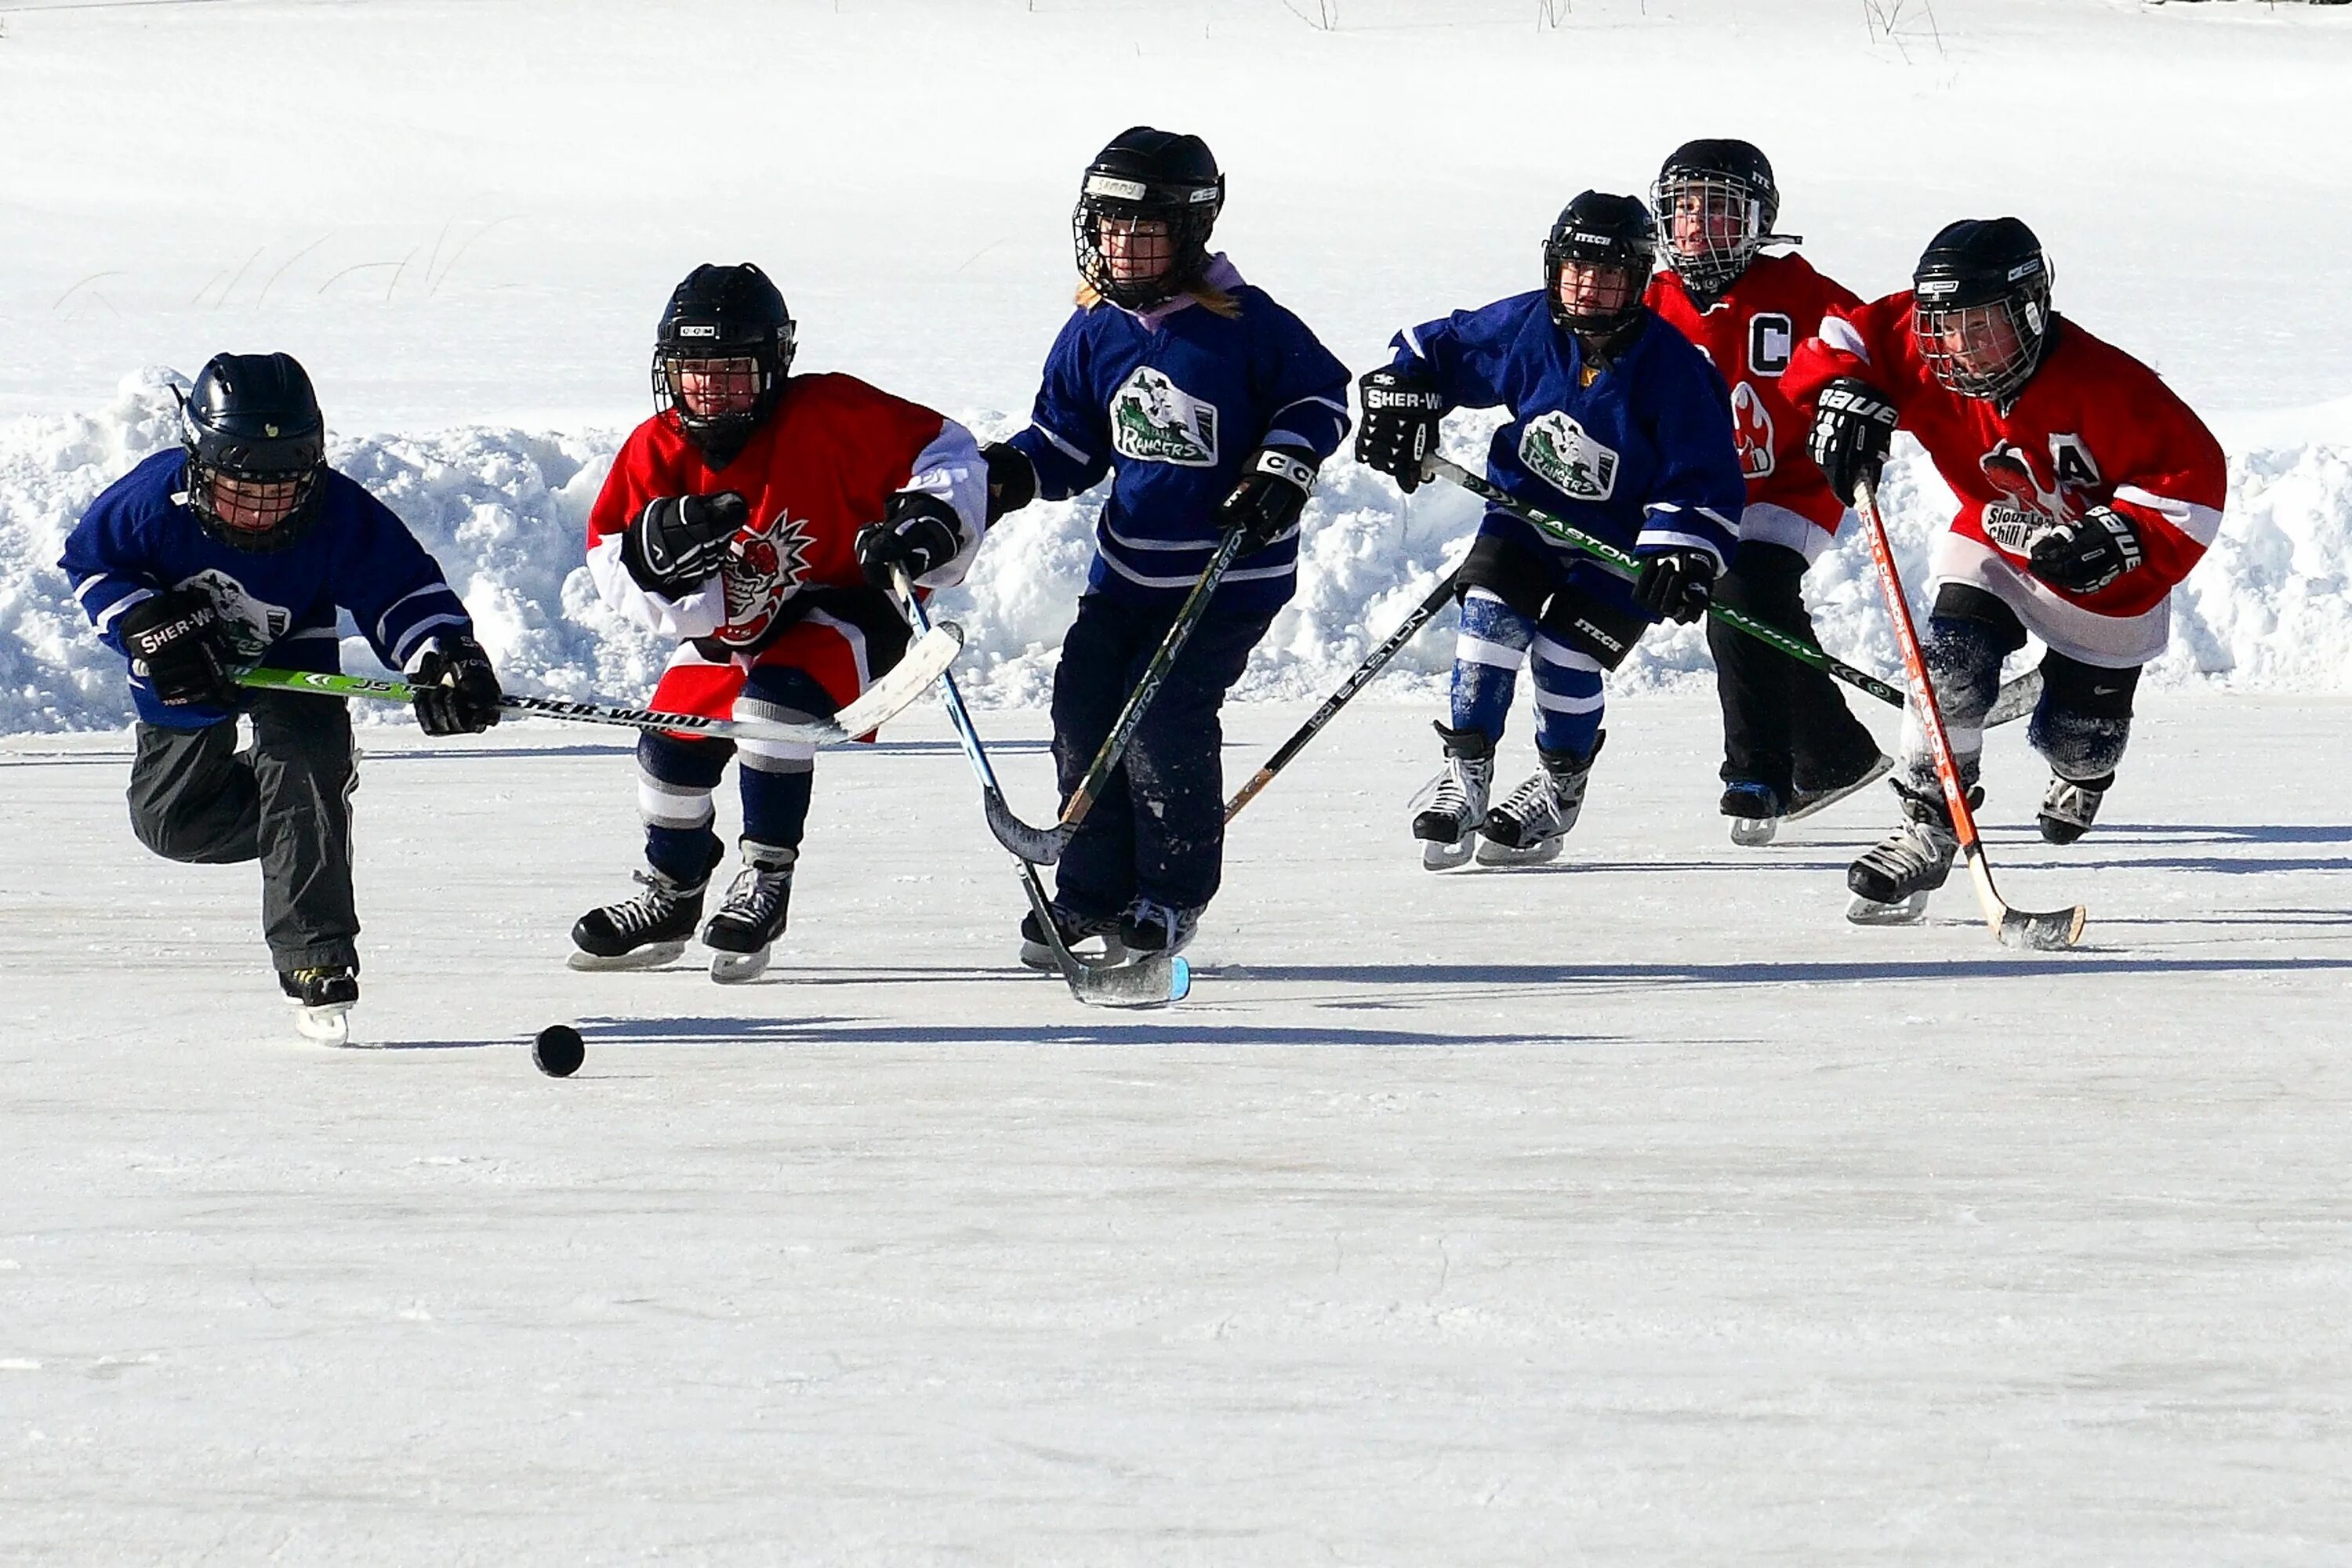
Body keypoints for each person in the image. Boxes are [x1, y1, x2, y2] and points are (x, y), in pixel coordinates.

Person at [1784, 217, 2227, 920]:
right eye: (1945, 327)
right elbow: (1844, 338)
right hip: (1994, 537)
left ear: (2029, 310)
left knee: (2079, 738)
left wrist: (2119, 535)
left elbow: (2193, 480)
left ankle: (2084, 770)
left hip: (2108, 583)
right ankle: (1927, 825)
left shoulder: (2108, 384)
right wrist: (1840, 393)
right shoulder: (1925, 341)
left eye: (1980, 324)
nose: (1959, 347)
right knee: (1950, 667)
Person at [983, 126, 1349, 963]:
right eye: (1110, 227)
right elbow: (1069, 442)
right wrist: (1007, 473)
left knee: (1162, 721)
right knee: (1083, 713)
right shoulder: (1093, 329)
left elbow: (1322, 400)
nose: (1123, 246)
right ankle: (1090, 891)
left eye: (1143, 231)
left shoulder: (1249, 325)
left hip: (1229, 576)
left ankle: (1171, 896)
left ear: (1189, 233)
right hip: (1125, 574)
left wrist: (1282, 467)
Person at [58, 351, 502, 1040]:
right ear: (199, 463)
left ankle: (315, 953)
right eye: (241, 489)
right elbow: (90, 564)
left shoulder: (341, 512)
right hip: (185, 663)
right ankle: (307, 803)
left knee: (304, 762)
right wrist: (145, 624)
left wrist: (445, 655)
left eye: (283, 488)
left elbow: (403, 591)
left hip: (294, 656)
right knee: (172, 825)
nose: (263, 510)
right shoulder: (149, 501)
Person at [572, 262, 985, 982]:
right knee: (671, 749)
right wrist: (653, 564)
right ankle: (672, 891)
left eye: (733, 370)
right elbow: (610, 554)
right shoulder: (655, 446)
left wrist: (929, 523)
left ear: (775, 366)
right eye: (695, 369)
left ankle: (766, 875)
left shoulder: (834, 413)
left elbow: (947, 453)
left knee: (773, 708)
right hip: (741, 625)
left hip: (853, 606)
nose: (712, 388)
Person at [1355, 191, 1747, 869]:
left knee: (1565, 656)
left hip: (1622, 544)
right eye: (1575, 270)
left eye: (1608, 274)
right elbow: (1437, 348)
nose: (1588, 288)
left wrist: (1685, 550)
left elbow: (1704, 473)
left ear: (1639, 280)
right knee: (1487, 624)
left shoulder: (1676, 367)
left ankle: (1560, 788)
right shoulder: (1529, 326)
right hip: (1528, 516)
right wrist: (1404, 391)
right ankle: (1465, 778)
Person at [1644, 139, 1888, 845]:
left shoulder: (1797, 292)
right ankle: (1835, 753)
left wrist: (1858, 395)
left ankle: (1758, 773)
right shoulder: (1647, 302)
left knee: (1744, 595)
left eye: (1718, 207)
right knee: (1756, 609)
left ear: (1759, 220)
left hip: (1788, 484)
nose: (1696, 223)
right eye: (1684, 207)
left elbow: (1875, 342)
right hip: (1696, 497)